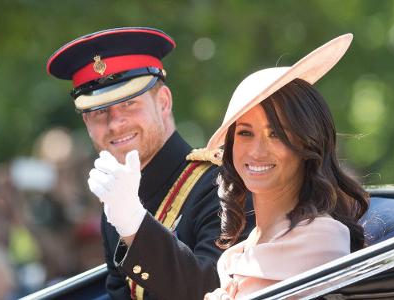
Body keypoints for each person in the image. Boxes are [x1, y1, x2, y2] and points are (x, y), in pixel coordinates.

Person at [46, 27, 254, 300]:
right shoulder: (118, 198)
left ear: (164, 102)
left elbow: (214, 289)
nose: (115, 123)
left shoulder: (221, 184)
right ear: (87, 123)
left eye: (129, 104)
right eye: (99, 112)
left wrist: (134, 222)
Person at [203, 34, 369, 299]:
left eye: (277, 134)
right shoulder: (235, 256)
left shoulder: (321, 238)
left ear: (308, 143)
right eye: (245, 133)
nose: (257, 151)